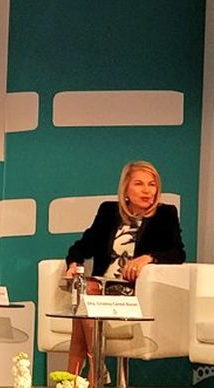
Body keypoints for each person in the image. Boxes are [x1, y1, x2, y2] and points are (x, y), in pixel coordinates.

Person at [62, 160, 185, 376]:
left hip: (132, 294)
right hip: (99, 291)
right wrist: (73, 263)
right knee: (85, 296)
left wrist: (148, 258)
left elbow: (177, 253)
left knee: (85, 296)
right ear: (125, 190)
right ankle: (90, 375)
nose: (147, 190)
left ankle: (87, 374)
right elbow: (82, 246)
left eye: (152, 184)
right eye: (139, 184)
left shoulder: (165, 215)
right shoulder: (108, 211)